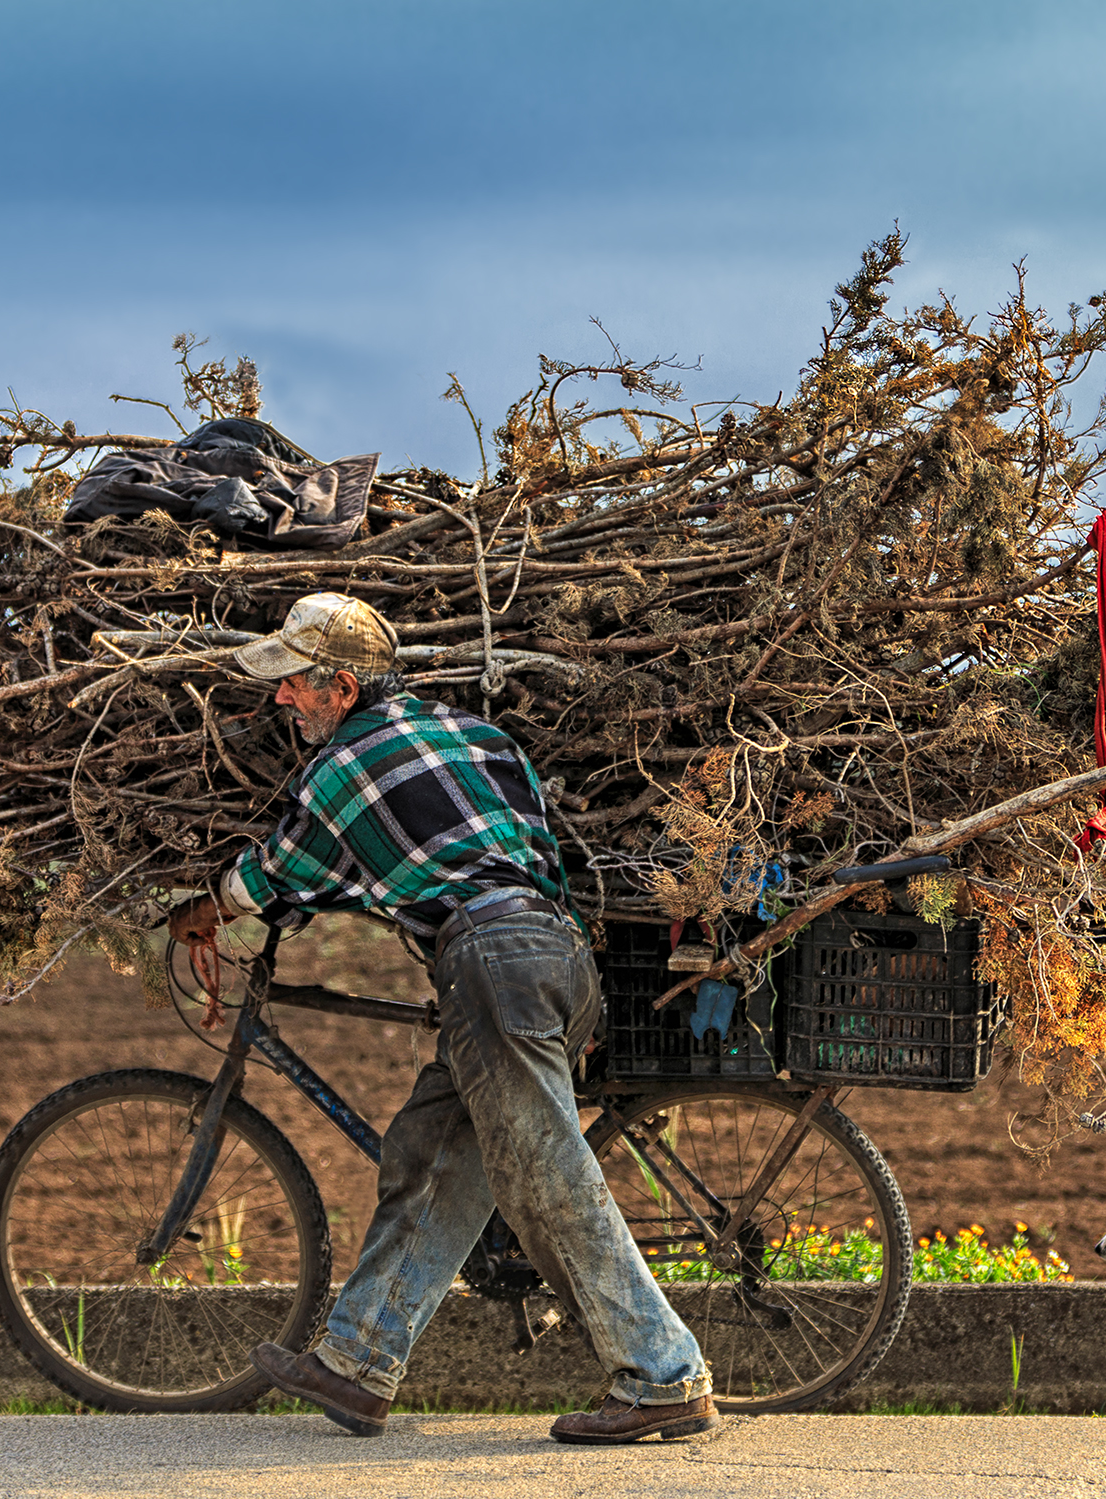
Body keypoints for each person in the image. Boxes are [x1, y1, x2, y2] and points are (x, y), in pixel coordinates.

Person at [164, 591, 716, 1445]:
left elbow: (274, 877)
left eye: (298, 685)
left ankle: (663, 1374)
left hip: (488, 961)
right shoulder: (479, 737)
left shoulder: (341, 769)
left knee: (544, 1174)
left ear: (343, 688)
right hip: (556, 956)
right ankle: (358, 1361)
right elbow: (517, 857)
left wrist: (204, 911)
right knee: (431, 1155)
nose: (282, 698)